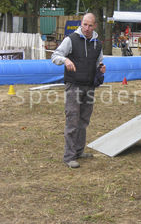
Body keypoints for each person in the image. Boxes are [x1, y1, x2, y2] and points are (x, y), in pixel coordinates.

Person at [51, 13, 106, 168]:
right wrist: (65, 60)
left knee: (83, 121)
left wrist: (101, 68)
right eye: (85, 24)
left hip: (89, 87)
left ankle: (79, 151)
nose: (87, 28)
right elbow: (55, 56)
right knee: (72, 120)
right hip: (73, 85)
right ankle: (69, 157)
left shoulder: (98, 44)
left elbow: (98, 62)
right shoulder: (71, 39)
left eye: (90, 25)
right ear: (81, 23)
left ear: (95, 25)